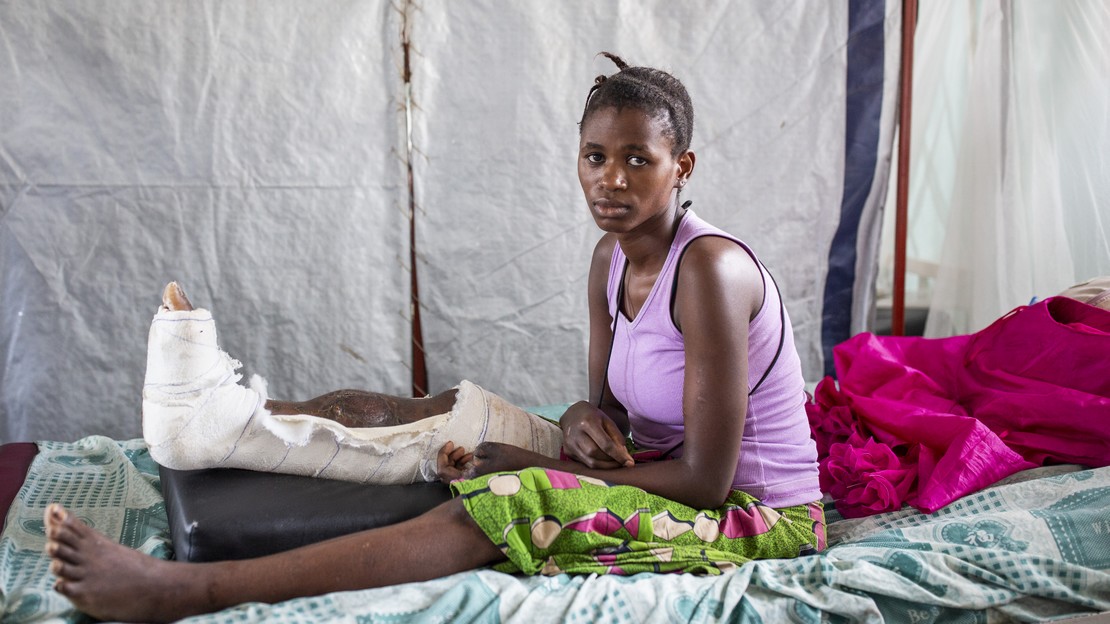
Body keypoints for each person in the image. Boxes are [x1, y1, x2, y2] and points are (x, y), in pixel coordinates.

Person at [43, 52, 824, 622]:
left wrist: (536, 464)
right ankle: (221, 424)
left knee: (509, 497)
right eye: (595, 157)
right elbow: (612, 419)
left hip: (755, 517)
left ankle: (189, 590)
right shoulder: (609, 258)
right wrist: (581, 419)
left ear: (681, 166)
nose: (611, 179)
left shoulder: (711, 270)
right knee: (450, 415)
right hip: (659, 472)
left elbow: (706, 484)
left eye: (637, 160)